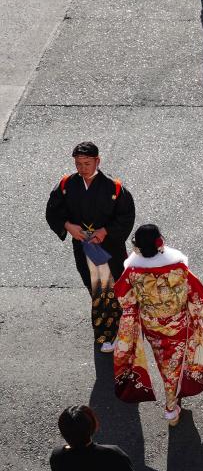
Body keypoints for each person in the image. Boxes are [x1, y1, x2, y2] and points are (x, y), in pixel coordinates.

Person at [113, 225, 203, 426]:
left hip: (152, 326)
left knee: (165, 363)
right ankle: (171, 407)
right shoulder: (178, 268)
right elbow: (195, 294)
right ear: (160, 242)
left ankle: (175, 397)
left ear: (137, 247)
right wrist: (200, 317)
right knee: (175, 364)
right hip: (179, 325)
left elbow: (124, 298)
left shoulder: (132, 271)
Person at [45, 141, 136, 353]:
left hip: (109, 248)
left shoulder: (114, 187)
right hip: (83, 246)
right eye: (78, 163)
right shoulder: (67, 185)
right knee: (96, 290)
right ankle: (109, 333)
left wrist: (105, 231)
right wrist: (68, 226)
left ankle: (117, 330)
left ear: (97, 161)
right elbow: (52, 211)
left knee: (113, 288)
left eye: (87, 163)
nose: (82, 168)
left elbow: (126, 216)